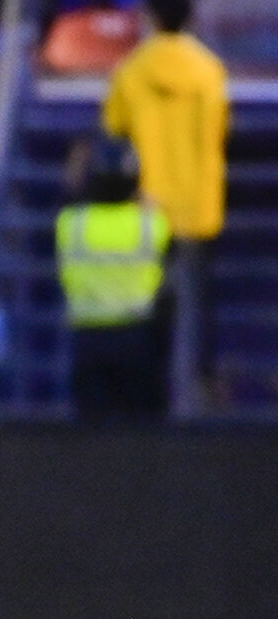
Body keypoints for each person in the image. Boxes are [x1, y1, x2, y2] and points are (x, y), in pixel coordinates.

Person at [101, 0, 228, 416]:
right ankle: (190, 401)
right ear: (190, 19)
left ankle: (150, 403)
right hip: (198, 209)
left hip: (148, 211)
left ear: (149, 18)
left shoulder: (133, 70)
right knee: (193, 314)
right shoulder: (210, 71)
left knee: (149, 314)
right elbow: (219, 130)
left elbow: (114, 131)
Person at [55, 135, 171, 420]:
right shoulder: (151, 224)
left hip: (89, 337)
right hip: (137, 335)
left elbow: (70, 193)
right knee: (143, 429)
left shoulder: (71, 224)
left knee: (91, 435)